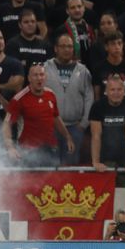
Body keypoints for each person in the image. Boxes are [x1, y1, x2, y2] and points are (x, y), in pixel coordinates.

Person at [3, 64, 74, 167]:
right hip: (28, 151)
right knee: (31, 182)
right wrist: (10, 147)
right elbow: (6, 123)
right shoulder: (19, 99)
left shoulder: (51, 94)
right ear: (29, 78)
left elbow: (56, 117)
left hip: (51, 149)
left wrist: (68, 137)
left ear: (46, 77)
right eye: (35, 75)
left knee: (54, 181)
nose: (39, 78)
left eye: (41, 74)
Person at [43, 34, 94, 165]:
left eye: (70, 47)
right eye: (63, 46)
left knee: (70, 166)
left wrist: (83, 124)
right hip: (50, 127)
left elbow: (89, 98)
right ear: (56, 48)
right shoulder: (44, 69)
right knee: (51, 165)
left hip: (74, 128)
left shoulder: (83, 71)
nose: (67, 50)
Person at [89, 75, 125, 181]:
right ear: (106, 91)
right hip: (104, 159)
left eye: (119, 89)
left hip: (124, 159)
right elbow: (96, 136)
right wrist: (96, 162)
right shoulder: (97, 107)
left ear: (124, 90)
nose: (116, 93)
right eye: (112, 90)